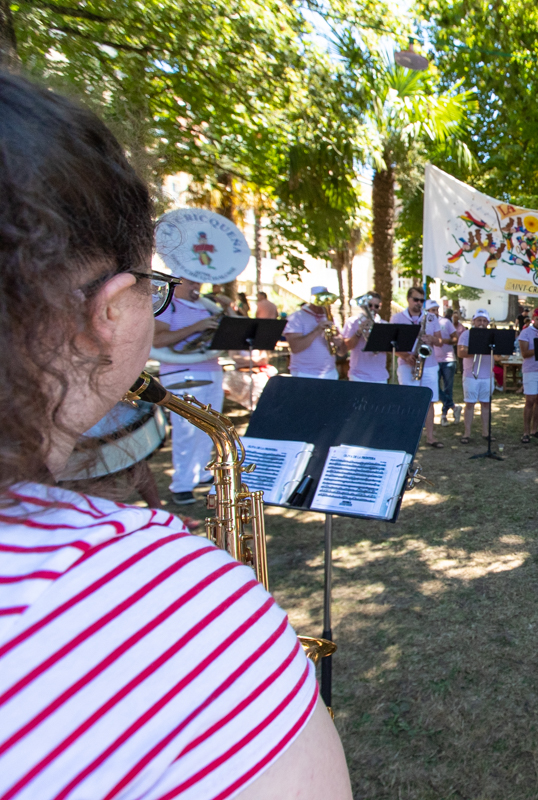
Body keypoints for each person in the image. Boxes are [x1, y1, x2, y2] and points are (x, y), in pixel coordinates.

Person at [0, 72, 349, 800]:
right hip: (185, 391)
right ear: (111, 308)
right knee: (192, 453)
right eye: (149, 290)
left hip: (201, 380)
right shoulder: (178, 606)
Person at [152, 276, 223, 505]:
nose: (197, 287)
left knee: (210, 427)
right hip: (181, 371)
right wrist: (198, 327)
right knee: (186, 429)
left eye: (199, 282)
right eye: (191, 282)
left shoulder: (205, 306)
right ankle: (182, 484)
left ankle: (201, 473)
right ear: (178, 282)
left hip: (210, 369)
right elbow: (158, 339)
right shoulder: (167, 304)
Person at [398, 296, 445, 449]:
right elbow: (393, 344)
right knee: (410, 401)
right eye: (415, 299)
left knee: (430, 401)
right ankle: (408, 436)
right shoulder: (398, 317)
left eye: (421, 300)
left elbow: (440, 342)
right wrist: (406, 356)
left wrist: (432, 339)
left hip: (429, 364)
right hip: (408, 364)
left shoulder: (431, 317)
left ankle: (430, 437)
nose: (418, 303)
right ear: (408, 300)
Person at [282, 286, 342, 380]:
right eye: (321, 300)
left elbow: (342, 352)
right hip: (304, 373)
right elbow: (295, 347)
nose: (325, 304)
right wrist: (317, 331)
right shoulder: (296, 317)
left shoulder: (331, 318)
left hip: (330, 372)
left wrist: (339, 341)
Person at [458, 309, 494, 443]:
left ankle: (486, 432)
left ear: (488, 323)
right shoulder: (466, 334)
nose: (482, 323)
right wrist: (478, 348)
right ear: (474, 321)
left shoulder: (492, 335)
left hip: (488, 375)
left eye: (484, 321)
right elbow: (461, 353)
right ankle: (467, 433)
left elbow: (498, 356)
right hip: (471, 374)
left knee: (486, 404)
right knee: (469, 404)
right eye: (479, 320)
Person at [517, 307, 538, 443]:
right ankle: (526, 431)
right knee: (530, 400)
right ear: (533, 318)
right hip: (531, 369)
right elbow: (525, 353)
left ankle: (534, 429)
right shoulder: (525, 332)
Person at [342, 291, 388, 383]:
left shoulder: (384, 325)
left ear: (380, 306)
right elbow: (345, 347)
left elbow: (389, 349)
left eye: (376, 306)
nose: (372, 309)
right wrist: (359, 332)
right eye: (370, 305)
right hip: (358, 375)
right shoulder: (352, 322)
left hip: (380, 376)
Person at [435, 306, 460, 427]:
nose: (433, 312)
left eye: (435, 310)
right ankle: (454, 407)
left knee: (447, 388)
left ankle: (444, 416)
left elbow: (455, 338)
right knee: (435, 387)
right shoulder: (425, 324)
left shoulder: (445, 322)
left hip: (448, 359)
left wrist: (444, 341)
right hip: (433, 360)